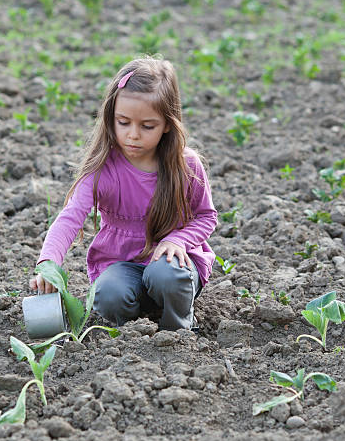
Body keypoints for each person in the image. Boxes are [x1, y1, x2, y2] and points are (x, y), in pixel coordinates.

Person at [30, 57, 218, 331]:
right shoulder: (103, 169)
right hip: (121, 265)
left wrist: (178, 240)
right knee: (109, 294)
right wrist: (48, 264)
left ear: (168, 123)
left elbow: (206, 216)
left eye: (147, 126)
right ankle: (134, 331)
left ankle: (178, 331)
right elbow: (70, 218)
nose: (133, 135)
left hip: (172, 268)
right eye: (124, 122)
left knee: (165, 275)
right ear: (111, 118)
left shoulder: (186, 165)